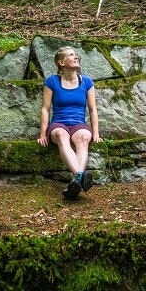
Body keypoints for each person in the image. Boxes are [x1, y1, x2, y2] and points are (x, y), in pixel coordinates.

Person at [37, 46, 102, 200]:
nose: (76, 57)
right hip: (59, 123)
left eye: (76, 54)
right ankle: (80, 175)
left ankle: (76, 181)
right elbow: (45, 109)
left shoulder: (86, 81)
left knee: (85, 137)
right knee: (60, 135)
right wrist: (42, 133)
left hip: (79, 123)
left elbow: (93, 109)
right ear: (61, 62)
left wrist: (96, 132)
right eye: (71, 55)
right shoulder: (52, 81)